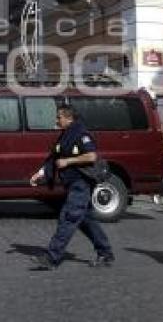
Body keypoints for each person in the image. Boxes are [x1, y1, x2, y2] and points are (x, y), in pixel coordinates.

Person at [29, 105, 114, 270]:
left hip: (81, 183)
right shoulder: (65, 135)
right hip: (72, 184)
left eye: (58, 117)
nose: (56, 120)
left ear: (69, 118)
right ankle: (105, 252)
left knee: (68, 217)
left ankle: (52, 257)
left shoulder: (81, 134)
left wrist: (68, 161)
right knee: (85, 220)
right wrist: (40, 173)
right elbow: (54, 157)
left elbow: (91, 155)